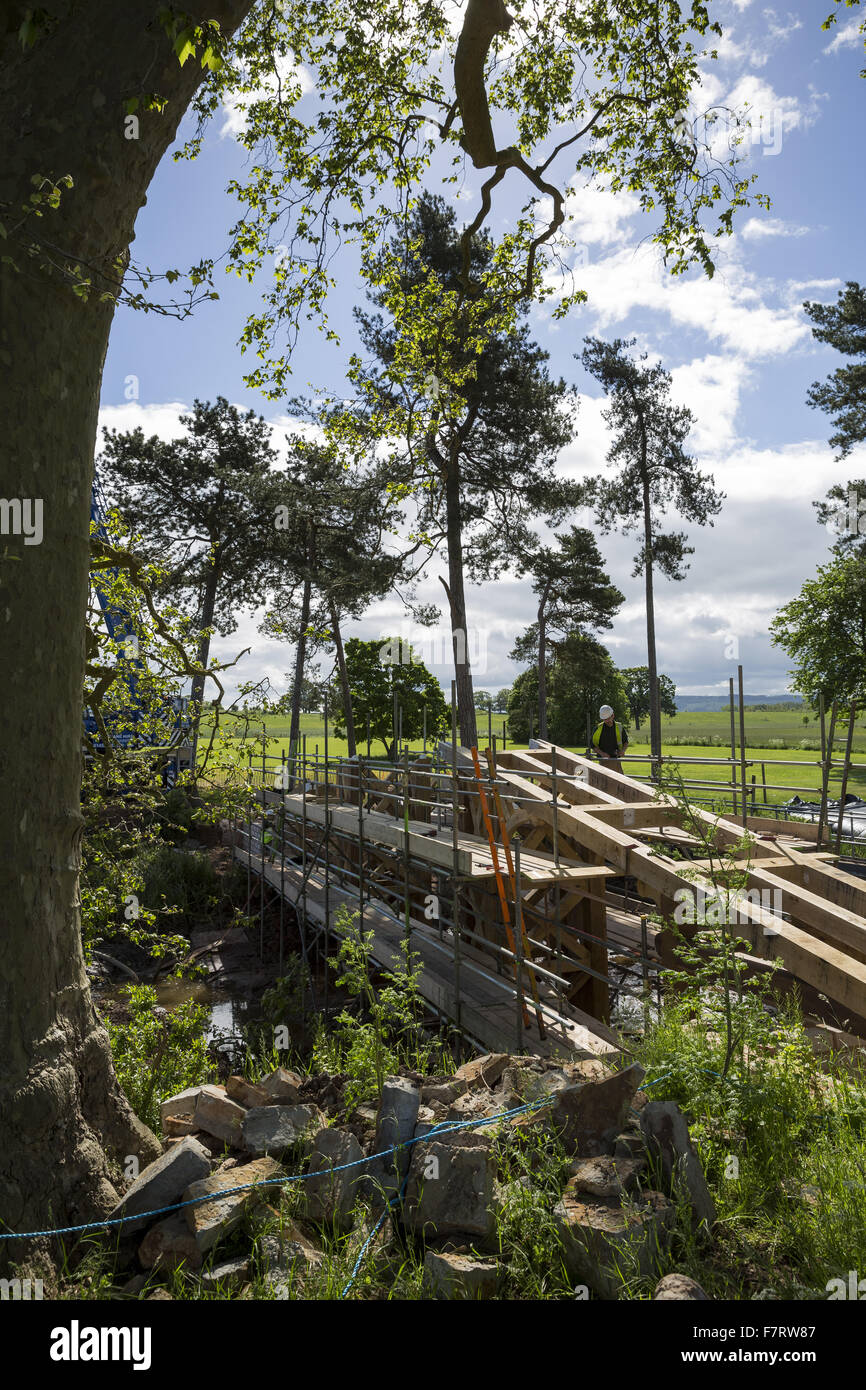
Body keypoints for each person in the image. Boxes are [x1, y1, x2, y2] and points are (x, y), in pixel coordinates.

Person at [591, 704, 629, 774]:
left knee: (619, 781)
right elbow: (592, 745)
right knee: (605, 782)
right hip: (603, 761)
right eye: (605, 719)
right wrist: (602, 753)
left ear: (613, 715)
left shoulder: (619, 727)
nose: (607, 721)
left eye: (608, 718)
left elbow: (626, 741)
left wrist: (623, 750)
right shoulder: (598, 728)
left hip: (616, 759)